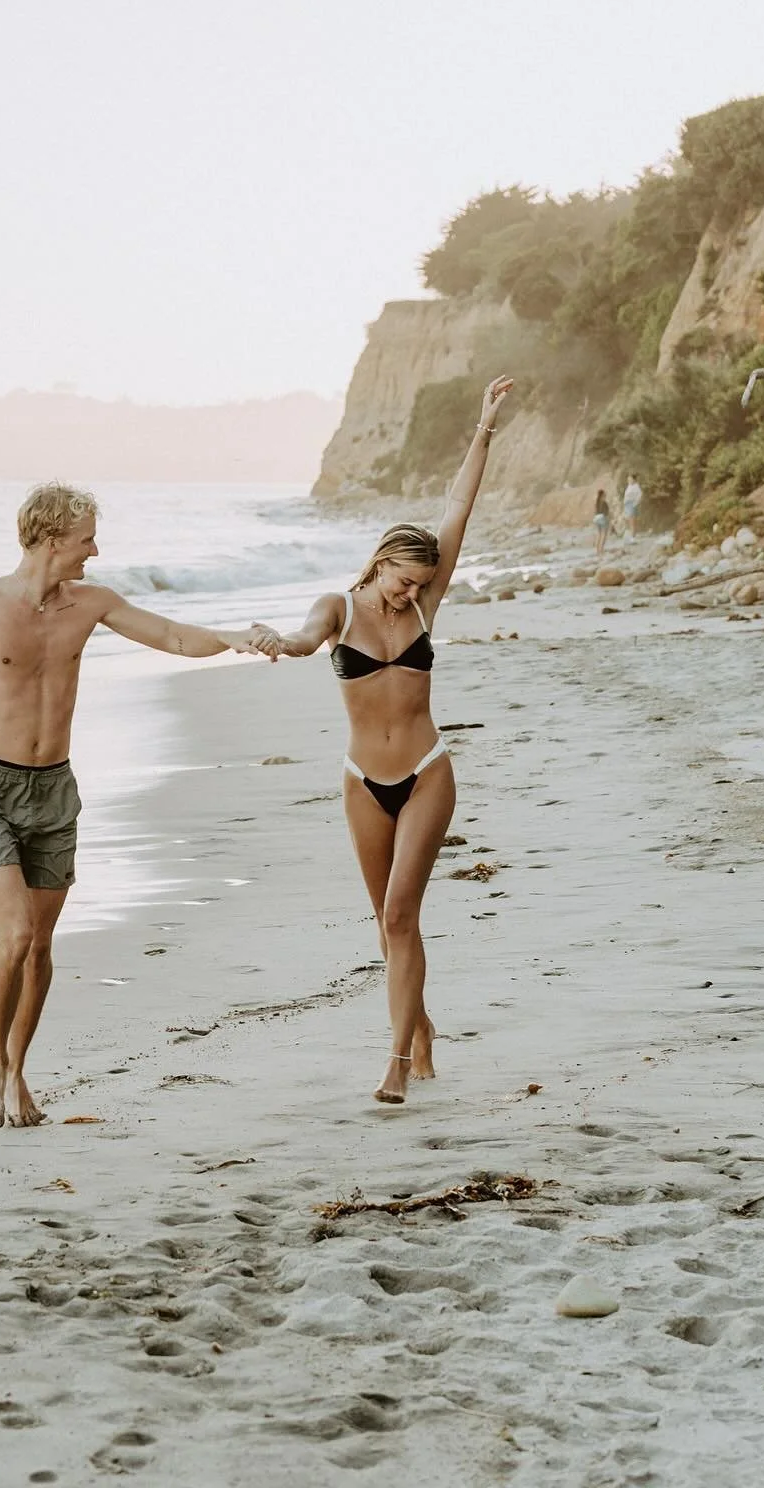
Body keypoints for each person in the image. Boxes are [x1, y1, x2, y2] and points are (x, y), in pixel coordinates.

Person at [0, 482, 276, 1130]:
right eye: (86, 538)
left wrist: (235, 637)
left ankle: (17, 1072)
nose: (96, 550)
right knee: (16, 933)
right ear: (53, 539)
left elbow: (169, 635)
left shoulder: (92, 603)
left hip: (53, 790)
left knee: (41, 945)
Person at [257, 376, 514, 1105]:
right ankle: (421, 1025)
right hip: (363, 781)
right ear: (381, 562)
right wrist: (283, 641)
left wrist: (483, 432)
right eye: (404, 581)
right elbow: (309, 638)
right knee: (385, 922)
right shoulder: (339, 606)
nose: (411, 594)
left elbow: (458, 509)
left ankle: (397, 1061)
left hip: (428, 772)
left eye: (420, 584)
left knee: (403, 914)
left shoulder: (427, 602)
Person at [622, 473, 643, 538]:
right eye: (628, 479)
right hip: (627, 505)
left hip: (632, 504)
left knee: (632, 521)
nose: (629, 480)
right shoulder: (629, 486)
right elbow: (626, 496)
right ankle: (632, 535)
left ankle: (633, 537)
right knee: (629, 521)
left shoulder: (636, 486)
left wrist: (635, 504)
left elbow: (640, 496)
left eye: (630, 479)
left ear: (634, 480)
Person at [593, 487, 611, 557]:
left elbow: (595, 512)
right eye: (605, 495)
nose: (605, 496)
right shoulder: (604, 503)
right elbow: (606, 513)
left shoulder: (596, 503)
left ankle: (597, 550)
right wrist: (609, 521)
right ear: (603, 495)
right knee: (604, 534)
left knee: (599, 534)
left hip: (596, 519)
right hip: (603, 518)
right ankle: (601, 549)